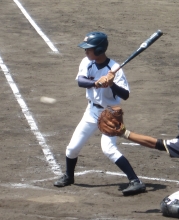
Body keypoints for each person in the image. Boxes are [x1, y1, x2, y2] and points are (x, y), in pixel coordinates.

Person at [54, 31, 146, 196]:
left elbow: (125, 95)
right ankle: (69, 176)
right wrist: (96, 82)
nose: (85, 51)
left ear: (99, 50)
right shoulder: (86, 62)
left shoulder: (115, 69)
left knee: (108, 148)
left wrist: (112, 84)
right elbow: (81, 81)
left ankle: (136, 181)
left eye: (88, 49)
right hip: (91, 111)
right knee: (72, 148)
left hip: (111, 114)